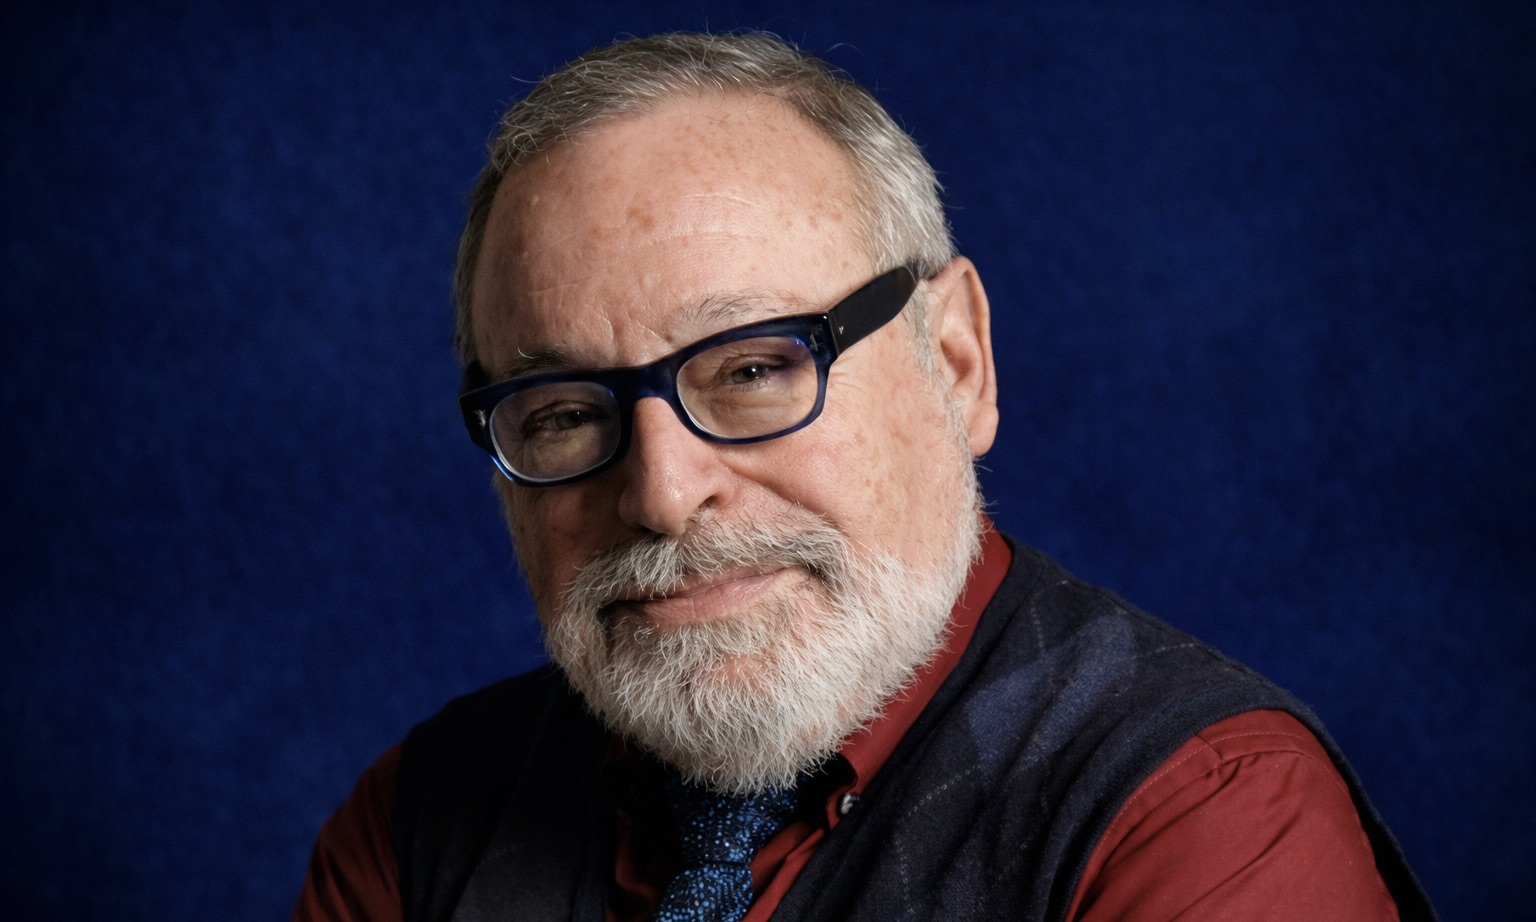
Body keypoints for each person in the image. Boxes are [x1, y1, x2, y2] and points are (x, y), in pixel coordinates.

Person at [295, 32, 1436, 922]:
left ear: (958, 364)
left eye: (751, 367)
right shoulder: (418, 823)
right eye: (561, 412)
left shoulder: (1200, 817)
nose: (660, 492)